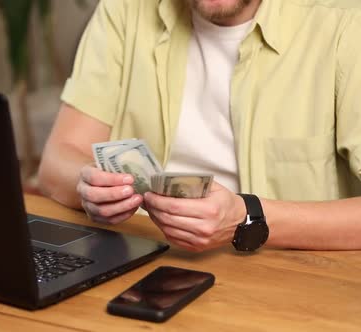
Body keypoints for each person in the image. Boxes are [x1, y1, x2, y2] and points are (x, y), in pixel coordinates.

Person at [38, 0, 361, 252]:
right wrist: (89, 187)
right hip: (139, 250)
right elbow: (57, 162)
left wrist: (245, 217)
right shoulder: (125, 9)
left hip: (285, 268)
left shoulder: (345, 24)